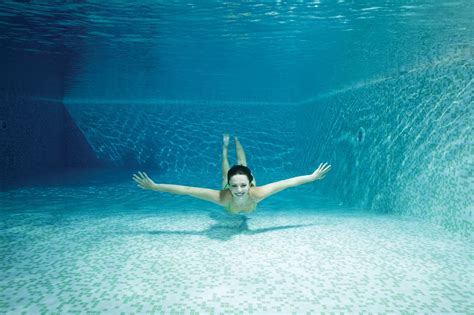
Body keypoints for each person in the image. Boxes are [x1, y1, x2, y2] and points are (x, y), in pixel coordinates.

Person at [132, 134, 331, 215]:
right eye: (234, 185)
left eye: (243, 185)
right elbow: (187, 190)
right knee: (226, 166)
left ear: (251, 183)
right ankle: (225, 146)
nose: (238, 190)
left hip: (245, 182)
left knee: (242, 163)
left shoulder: (257, 192)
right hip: (228, 188)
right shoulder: (223, 195)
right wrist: (155, 186)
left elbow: (288, 182)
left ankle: (237, 141)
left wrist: (312, 177)